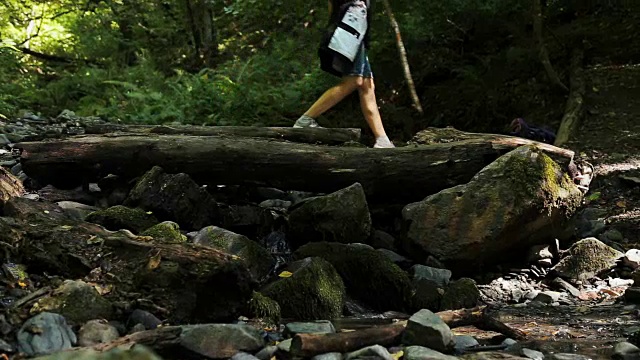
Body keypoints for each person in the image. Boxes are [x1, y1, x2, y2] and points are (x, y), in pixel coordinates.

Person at [293, 0, 395, 148]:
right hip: (348, 33)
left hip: (356, 35)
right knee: (354, 80)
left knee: (367, 85)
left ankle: (382, 140)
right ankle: (305, 120)